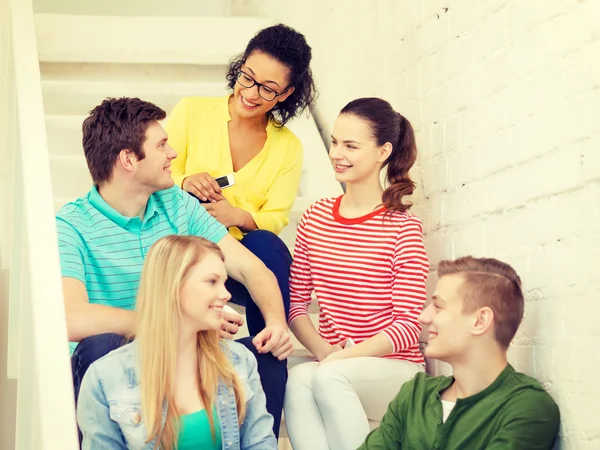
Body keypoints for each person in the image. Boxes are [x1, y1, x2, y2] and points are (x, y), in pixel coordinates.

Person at [57, 97, 292, 438]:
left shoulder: (178, 204)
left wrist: (276, 323)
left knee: (266, 351)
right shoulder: (71, 224)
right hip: (120, 362)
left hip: (184, 354)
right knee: (100, 343)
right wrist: (170, 323)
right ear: (128, 159)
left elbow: (251, 270)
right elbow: (72, 318)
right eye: (162, 145)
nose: (173, 154)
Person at [283, 98, 430, 450]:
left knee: (330, 376)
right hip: (337, 362)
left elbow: (409, 326)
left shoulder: (402, 228)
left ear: (383, 151)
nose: (337, 153)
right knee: (299, 378)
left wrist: (341, 358)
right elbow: (297, 306)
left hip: (397, 370)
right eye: (335, 142)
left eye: (351, 145)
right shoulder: (315, 217)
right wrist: (323, 350)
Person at [166, 23, 316, 335]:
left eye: (267, 88)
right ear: (240, 66)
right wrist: (184, 181)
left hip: (239, 262)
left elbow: (275, 217)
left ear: (285, 93)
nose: (250, 93)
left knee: (267, 245)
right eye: (247, 77)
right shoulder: (191, 111)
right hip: (182, 247)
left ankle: (270, 354)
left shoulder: (288, 147)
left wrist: (238, 216)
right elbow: (156, 172)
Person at [77, 235, 277, 450]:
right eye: (212, 282)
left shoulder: (239, 361)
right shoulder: (104, 377)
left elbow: (260, 444)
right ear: (173, 285)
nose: (226, 294)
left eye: (224, 283)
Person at [359, 256, 561, 450]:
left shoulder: (526, 407)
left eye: (438, 306)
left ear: (479, 321)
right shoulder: (415, 395)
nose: (424, 317)